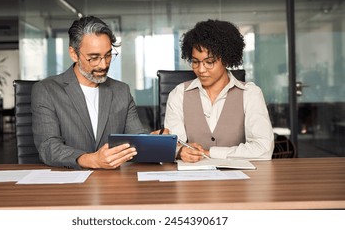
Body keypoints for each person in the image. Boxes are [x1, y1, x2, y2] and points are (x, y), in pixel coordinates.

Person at [31, 16, 148, 169]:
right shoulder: (47, 90)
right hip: (68, 182)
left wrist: (152, 141)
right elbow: (48, 147)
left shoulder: (121, 91)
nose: (103, 64)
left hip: (112, 182)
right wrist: (90, 160)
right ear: (74, 54)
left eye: (108, 55)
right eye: (94, 58)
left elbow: (136, 138)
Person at [164, 19, 274, 162]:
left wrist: (209, 153)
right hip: (192, 180)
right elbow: (175, 145)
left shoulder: (250, 94)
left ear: (227, 60)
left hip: (241, 181)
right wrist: (179, 152)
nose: (201, 70)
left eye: (209, 62)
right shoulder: (179, 94)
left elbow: (263, 149)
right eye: (195, 62)